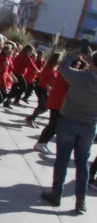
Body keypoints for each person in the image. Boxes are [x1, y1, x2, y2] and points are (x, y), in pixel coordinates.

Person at [41, 50, 97, 215]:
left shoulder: (79, 77)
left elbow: (63, 66)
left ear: (91, 62)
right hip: (89, 126)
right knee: (82, 163)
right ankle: (80, 201)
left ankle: (56, 193)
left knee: (62, 160)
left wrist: (76, 54)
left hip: (69, 121)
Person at [34, 54, 70, 155]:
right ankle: (41, 142)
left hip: (59, 102)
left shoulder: (61, 71)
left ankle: (42, 142)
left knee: (54, 125)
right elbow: (59, 89)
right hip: (57, 102)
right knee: (53, 124)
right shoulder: (64, 73)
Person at [26, 52, 60, 128]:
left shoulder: (55, 68)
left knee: (42, 106)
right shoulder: (49, 67)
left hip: (44, 89)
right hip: (41, 88)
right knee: (45, 106)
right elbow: (41, 76)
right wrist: (47, 85)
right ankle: (30, 118)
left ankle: (31, 119)